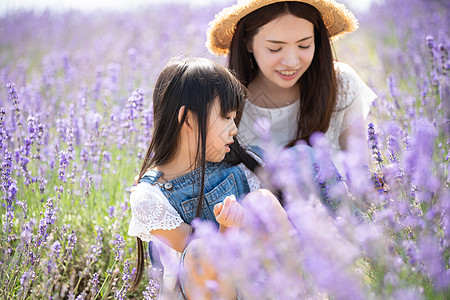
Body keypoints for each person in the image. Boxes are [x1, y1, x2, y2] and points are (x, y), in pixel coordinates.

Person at [127, 58, 288, 299]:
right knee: (201, 250)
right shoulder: (150, 197)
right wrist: (227, 227)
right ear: (188, 119)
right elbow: (202, 264)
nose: (234, 128)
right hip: (205, 290)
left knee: (263, 200)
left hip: (256, 285)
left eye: (234, 118)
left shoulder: (238, 165)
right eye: (225, 117)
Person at [206, 0, 377, 159]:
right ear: (248, 43)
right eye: (275, 48)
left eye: (304, 45)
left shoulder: (341, 84)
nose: (291, 62)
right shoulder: (223, 102)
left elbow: (361, 172)